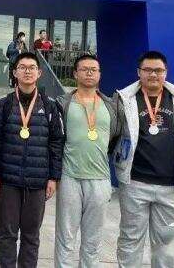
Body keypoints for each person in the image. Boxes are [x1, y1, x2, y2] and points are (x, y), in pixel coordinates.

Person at [114, 50, 174, 268]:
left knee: (167, 243)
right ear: (139, 72)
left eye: (158, 70)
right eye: (148, 70)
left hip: (170, 184)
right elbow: (116, 134)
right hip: (135, 182)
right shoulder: (125, 99)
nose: (153, 74)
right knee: (130, 239)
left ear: (166, 73)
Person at [0, 52, 64, 268]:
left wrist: (53, 177)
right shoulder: (3, 104)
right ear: (15, 72)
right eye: (22, 67)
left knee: (31, 236)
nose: (27, 71)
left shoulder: (50, 106)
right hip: (8, 180)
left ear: (39, 73)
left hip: (37, 181)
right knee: (7, 233)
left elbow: (57, 142)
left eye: (32, 67)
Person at [54, 54, 126, 268]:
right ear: (75, 74)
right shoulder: (63, 104)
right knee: (65, 238)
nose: (89, 73)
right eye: (84, 69)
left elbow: (116, 138)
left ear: (100, 74)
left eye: (94, 69)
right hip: (69, 177)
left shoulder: (111, 106)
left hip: (100, 179)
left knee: (92, 241)